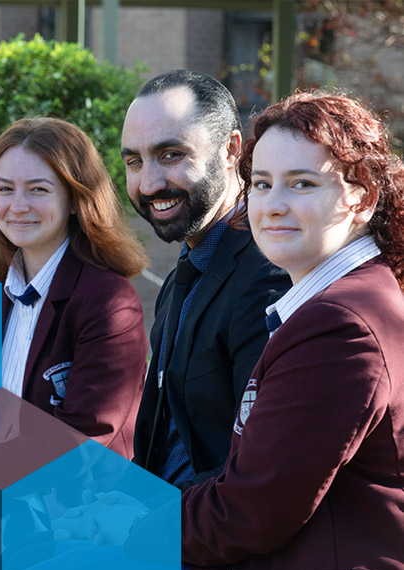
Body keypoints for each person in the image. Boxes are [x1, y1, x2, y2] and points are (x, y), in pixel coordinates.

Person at [181, 91, 404, 570]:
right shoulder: (353, 299)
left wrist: (135, 522)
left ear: (362, 196)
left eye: (302, 184)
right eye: (261, 183)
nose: (272, 205)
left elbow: (250, 514)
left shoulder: (342, 326)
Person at [121, 70, 291, 487]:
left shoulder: (269, 273)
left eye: (171, 154)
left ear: (231, 149)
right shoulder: (191, 264)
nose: (148, 183)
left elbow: (259, 476)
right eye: (134, 161)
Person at [0, 117, 148, 458]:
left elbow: (79, 443)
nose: (17, 205)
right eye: (4, 189)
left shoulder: (109, 303)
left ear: (75, 199)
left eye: (38, 189)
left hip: (74, 506)